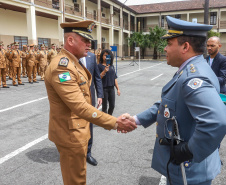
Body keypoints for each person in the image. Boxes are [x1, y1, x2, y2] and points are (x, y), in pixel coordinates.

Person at [122, 16, 226, 185]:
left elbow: (217, 121)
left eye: (169, 44)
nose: (165, 48)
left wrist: (187, 150)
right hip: (185, 169)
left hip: (188, 172)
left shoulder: (193, 76)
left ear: (185, 47)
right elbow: (170, 103)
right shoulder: (191, 68)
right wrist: (137, 119)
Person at [44, 20, 136, 185]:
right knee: (76, 181)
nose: (89, 44)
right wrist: (115, 122)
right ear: (70, 41)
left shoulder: (73, 62)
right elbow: (79, 106)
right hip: (71, 134)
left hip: (78, 130)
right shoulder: (62, 67)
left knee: (79, 176)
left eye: (90, 40)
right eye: (85, 40)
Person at [80, 51, 103, 166]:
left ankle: (88, 153)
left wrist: (100, 95)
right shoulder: (70, 57)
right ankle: (76, 152)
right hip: (75, 100)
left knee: (89, 125)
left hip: (90, 98)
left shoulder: (92, 56)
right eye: (85, 41)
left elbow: (97, 77)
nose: (88, 44)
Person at [98, 49, 120, 116]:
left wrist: (118, 89)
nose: (106, 57)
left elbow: (114, 78)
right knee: (104, 106)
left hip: (111, 89)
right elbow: (98, 78)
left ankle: (109, 118)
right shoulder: (99, 66)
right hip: (104, 89)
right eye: (105, 55)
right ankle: (105, 121)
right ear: (102, 56)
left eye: (108, 56)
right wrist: (104, 71)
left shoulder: (112, 66)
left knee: (112, 105)